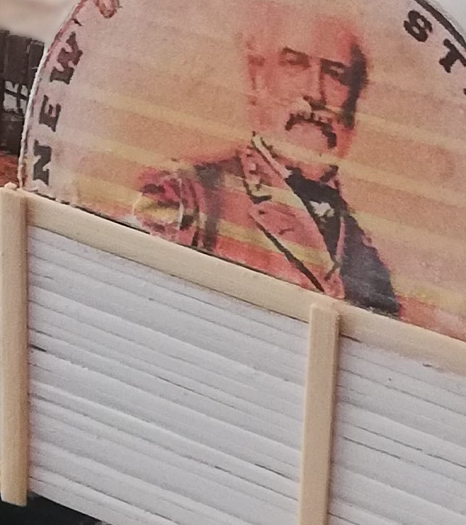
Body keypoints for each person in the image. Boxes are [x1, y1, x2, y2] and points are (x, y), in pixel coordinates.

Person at [135, 19, 399, 311]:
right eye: (294, 64)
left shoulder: (368, 258)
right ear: (257, 79)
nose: (316, 93)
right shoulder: (186, 193)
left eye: (336, 74)